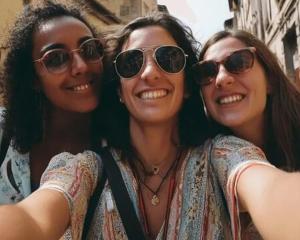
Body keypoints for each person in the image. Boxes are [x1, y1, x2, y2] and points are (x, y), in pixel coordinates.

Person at [0, 13, 299, 240]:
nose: (150, 73)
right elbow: (34, 217)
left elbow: (270, 190)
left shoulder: (223, 155)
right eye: (131, 63)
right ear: (119, 89)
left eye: (168, 59)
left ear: (187, 86)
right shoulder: (87, 169)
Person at [193, 29, 300, 237]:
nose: (222, 79)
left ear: (269, 79)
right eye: (207, 72)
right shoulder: (208, 157)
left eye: (239, 62)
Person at [0, 0, 104, 204]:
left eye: (89, 49)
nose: (81, 66)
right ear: (33, 79)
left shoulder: (124, 147)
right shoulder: (4, 131)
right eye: (56, 58)